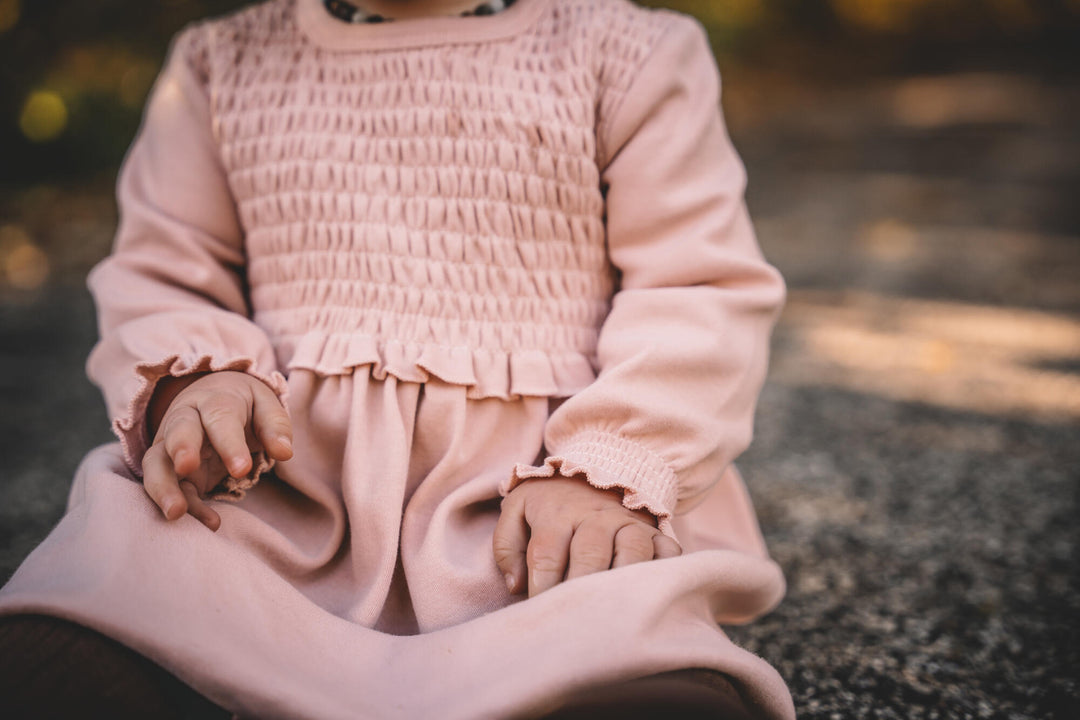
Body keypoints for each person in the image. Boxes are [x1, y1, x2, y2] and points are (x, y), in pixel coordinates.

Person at [0, 0, 794, 717]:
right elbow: (163, 269)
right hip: (279, 501)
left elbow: (697, 284)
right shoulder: (220, 65)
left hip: (537, 513)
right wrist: (198, 379)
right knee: (97, 606)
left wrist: (614, 461)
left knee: (638, 664)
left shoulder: (630, 52)